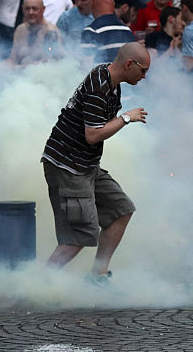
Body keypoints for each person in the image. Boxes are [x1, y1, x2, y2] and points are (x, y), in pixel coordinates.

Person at [41, 42, 150, 279]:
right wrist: (126, 118)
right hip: (67, 166)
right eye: (143, 71)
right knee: (79, 235)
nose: (144, 77)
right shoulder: (99, 86)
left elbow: (99, 128)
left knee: (121, 210)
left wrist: (120, 119)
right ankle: (38, 284)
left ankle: (97, 276)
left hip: (86, 165)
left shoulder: (113, 85)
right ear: (129, 64)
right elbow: (93, 135)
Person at [81, 0, 141, 64]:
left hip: (103, 75)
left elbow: (86, 66)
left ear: (92, 6)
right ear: (112, 5)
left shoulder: (91, 31)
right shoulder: (126, 30)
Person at [8, 0, 61, 66]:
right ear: (23, 9)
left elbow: (50, 61)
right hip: (20, 74)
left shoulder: (50, 32)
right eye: (27, 9)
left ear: (43, 9)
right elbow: (12, 59)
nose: (30, 12)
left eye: (34, 9)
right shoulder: (20, 30)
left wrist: (21, 68)